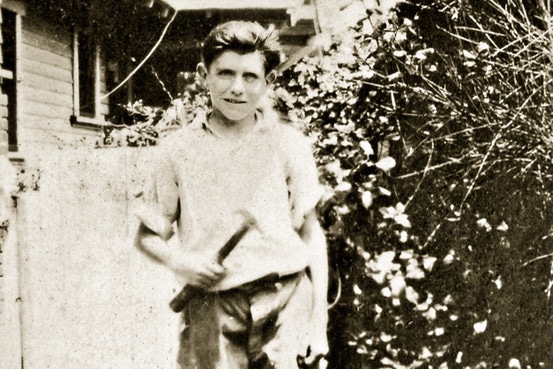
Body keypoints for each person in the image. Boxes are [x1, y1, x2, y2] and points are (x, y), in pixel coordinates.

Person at [134, 20, 329, 369]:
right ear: (202, 75)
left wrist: (318, 325)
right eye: (224, 73)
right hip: (212, 309)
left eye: (250, 76)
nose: (237, 88)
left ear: (268, 82)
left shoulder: (289, 145)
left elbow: (311, 234)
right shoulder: (175, 151)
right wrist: (182, 262)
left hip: (286, 304)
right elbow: (147, 236)